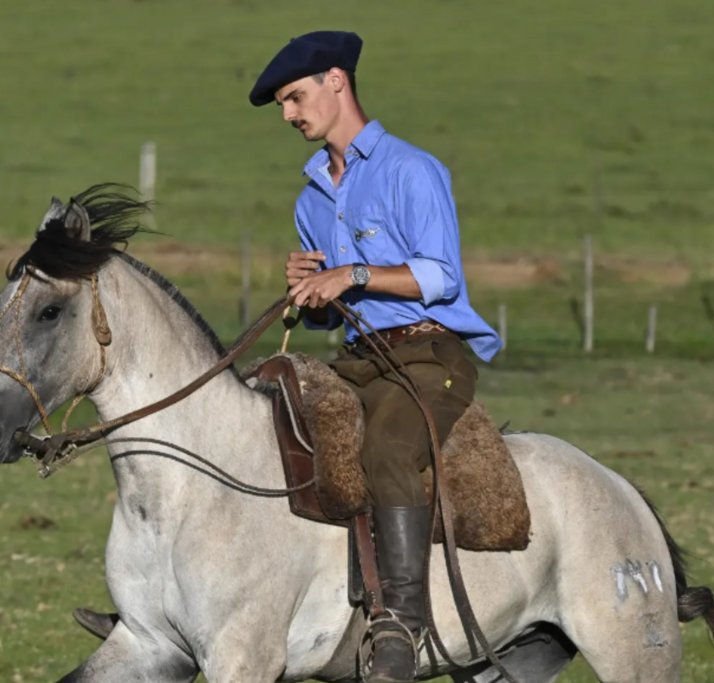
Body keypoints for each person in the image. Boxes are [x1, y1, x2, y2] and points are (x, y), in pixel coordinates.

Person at [249, 30, 502, 683]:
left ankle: (403, 624)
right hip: (357, 355)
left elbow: (440, 277)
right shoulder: (311, 196)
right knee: (261, 426)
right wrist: (311, 287)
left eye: (294, 97)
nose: (288, 115)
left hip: (428, 353)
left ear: (337, 81)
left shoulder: (410, 170)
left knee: (386, 451)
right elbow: (335, 307)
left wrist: (353, 272)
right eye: (282, 104)